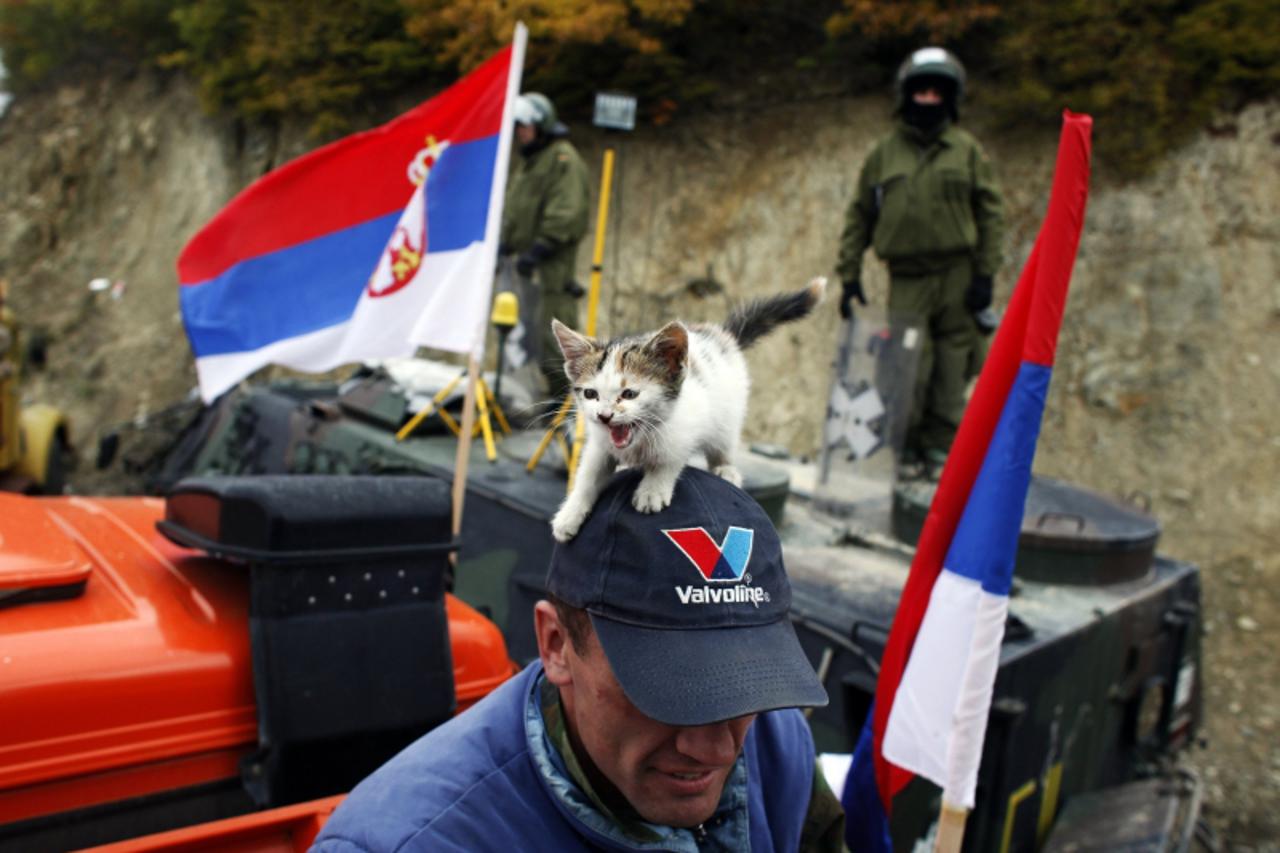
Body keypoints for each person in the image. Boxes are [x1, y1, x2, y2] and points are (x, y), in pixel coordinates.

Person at [312, 467, 846, 851]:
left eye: (744, 687)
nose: (712, 747)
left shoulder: (777, 748)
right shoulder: (413, 841)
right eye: (671, 694)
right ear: (555, 645)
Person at [836, 47, 1005, 479]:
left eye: (937, 91)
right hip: (907, 279)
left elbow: (990, 213)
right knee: (905, 368)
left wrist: (985, 273)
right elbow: (860, 214)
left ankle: (940, 454)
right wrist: (850, 274)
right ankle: (902, 451)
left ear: (950, 98)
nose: (928, 98)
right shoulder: (884, 155)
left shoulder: (966, 151)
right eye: (921, 90)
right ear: (906, 95)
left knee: (954, 365)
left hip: (958, 275)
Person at [500, 92, 591, 403]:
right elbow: (519, 210)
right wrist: (506, 243)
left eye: (525, 125)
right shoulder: (532, 161)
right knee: (529, 341)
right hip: (527, 270)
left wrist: (540, 248)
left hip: (551, 271)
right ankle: (549, 406)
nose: (520, 133)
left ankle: (570, 411)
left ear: (541, 124)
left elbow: (567, 211)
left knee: (557, 344)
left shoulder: (562, 159)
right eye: (517, 127)